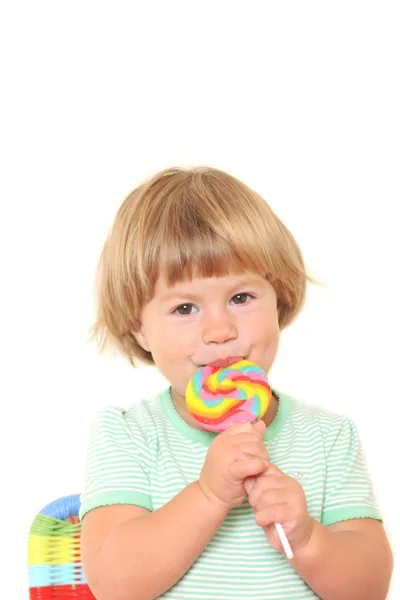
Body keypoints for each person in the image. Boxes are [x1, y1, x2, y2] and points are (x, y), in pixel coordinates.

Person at [80, 166, 393, 600]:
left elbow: (369, 587)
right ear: (140, 329)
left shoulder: (330, 437)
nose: (219, 329)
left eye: (240, 298)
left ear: (279, 298)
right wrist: (209, 495)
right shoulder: (128, 434)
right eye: (185, 308)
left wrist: (308, 540)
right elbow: (115, 584)